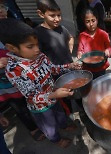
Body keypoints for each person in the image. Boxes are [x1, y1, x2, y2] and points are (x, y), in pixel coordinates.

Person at [0, 18, 81, 148]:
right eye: (30, 46)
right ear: (12, 48)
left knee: (60, 115)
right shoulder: (14, 69)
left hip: (54, 97)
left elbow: (53, 69)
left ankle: (64, 126)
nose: (37, 49)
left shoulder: (40, 56)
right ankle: (57, 140)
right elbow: (31, 95)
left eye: (37, 44)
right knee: (50, 127)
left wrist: (69, 66)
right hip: (40, 107)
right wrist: (53, 95)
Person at [0, 1, 45, 141]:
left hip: (26, 77)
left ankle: (41, 121)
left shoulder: (13, 25)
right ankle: (33, 128)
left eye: (2, 7)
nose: (1, 11)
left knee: (30, 102)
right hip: (7, 85)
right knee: (20, 107)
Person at [35, 0, 76, 114]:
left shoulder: (62, 29)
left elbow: (70, 37)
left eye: (59, 15)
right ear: (41, 14)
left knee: (76, 91)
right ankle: (69, 116)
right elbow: (38, 57)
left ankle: (81, 109)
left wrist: (70, 49)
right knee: (64, 98)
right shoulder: (38, 34)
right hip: (55, 74)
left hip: (70, 68)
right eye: (52, 16)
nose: (57, 19)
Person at [77, 7, 111, 79]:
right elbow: (80, 49)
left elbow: (109, 47)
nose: (91, 24)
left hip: (101, 67)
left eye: (93, 20)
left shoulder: (103, 34)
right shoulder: (82, 35)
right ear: (84, 22)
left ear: (97, 20)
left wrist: (107, 51)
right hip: (88, 68)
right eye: (87, 21)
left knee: (101, 84)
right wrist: (79, 53)